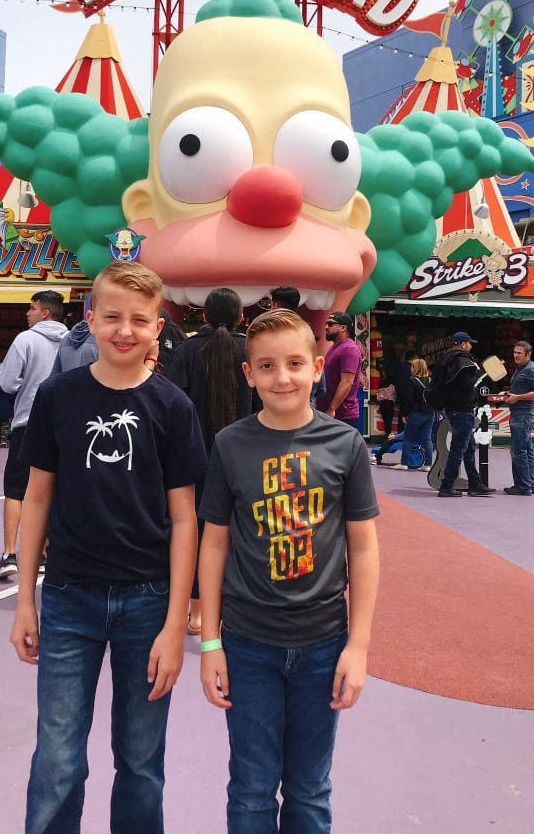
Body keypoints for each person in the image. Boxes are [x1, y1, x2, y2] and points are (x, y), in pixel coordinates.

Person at [9, 261, 206, 833]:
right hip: (70, 599)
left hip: (149, 602)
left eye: (140, 320)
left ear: (158, 327)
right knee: (57, 758)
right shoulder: (58, 396)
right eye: (112, 316)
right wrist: (27, 600)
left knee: (141, 762)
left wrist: (176, 623)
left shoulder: (173, 407)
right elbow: (38, 499)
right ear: (90, 318)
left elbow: (185, 518)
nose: (125, 330)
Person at [198, 309, 380, 834]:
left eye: (295, 363)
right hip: (248, 645)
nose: (283, 377)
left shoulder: (346, 446)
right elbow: (214, 545)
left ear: (318, 367)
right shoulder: (230, 445)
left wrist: (359, 645)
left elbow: (363, 549)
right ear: (248, 374)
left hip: (324, 644)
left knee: (309, 788)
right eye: (268, 366)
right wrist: (211, 642)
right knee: (252, 789)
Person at [165, 288, 256, 635]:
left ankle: (197, 613)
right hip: (246, 460)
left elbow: (170, 405)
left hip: (194, 461)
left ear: (202, 316)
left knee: (197, 535)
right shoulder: (251, 349)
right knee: (242, 535)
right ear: (240, 317)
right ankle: (233, 612)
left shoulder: (187, 350)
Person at [0, 291, 67, 580]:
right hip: (63, 425)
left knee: (16, 490)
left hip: (28, 422)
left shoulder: (26, 339)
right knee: (54, 490)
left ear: (45, 313)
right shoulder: (75, 340)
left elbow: (8, 383)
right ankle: (47, 554)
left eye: (32, 308)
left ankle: (10, 553)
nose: (28, 313)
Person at [429, 331, 494, 497]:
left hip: (452, 408)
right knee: (459, 448)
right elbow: (466, 385)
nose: (471, 346)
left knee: (469, 447)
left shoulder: (446, 358)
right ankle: (447, 485)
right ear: (463, 343)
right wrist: (479, 373)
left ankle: (474, 483)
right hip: (463, 409)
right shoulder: (463, 361)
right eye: (469, 343)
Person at [503, 340, 534, 496]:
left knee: (518, 451)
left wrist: (517, 398)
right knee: (526, 451)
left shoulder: (531, 369)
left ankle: (523, 486)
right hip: (522, 413)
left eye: (519, 353)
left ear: (528, 354)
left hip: (523, 414)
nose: (516, 355)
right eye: (515, 352)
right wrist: (510, 394)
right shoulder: (523, 369)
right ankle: (531, 484)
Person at [316, 311, 362, 428]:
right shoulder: (335, 347)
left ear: (343, 328)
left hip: (341, 415)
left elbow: (346, 382)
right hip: (328, 412)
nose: (326, 327)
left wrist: (332, 409)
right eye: (326, 324)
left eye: (330, 324)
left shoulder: (348, 349)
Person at [391, 358, 433, 472]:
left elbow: (409, 400)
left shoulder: (412, 381)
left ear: (416, 368)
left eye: (412, 366)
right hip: (430, 413)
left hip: (416, 413)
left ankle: (404, 463)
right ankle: (428, 465)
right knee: (427, 439)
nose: (410, 368)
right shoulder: (431, 380)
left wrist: (404, 414)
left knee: (408, 438)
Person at [375, 365, 397, 438]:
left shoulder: (381, 386)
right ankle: (389, 436)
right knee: (389, 421)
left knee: (385, 421)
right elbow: (395, 395)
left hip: (383, 404)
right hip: (390, 404)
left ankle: (387, 435)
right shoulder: (393, 386)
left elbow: (378, 397)